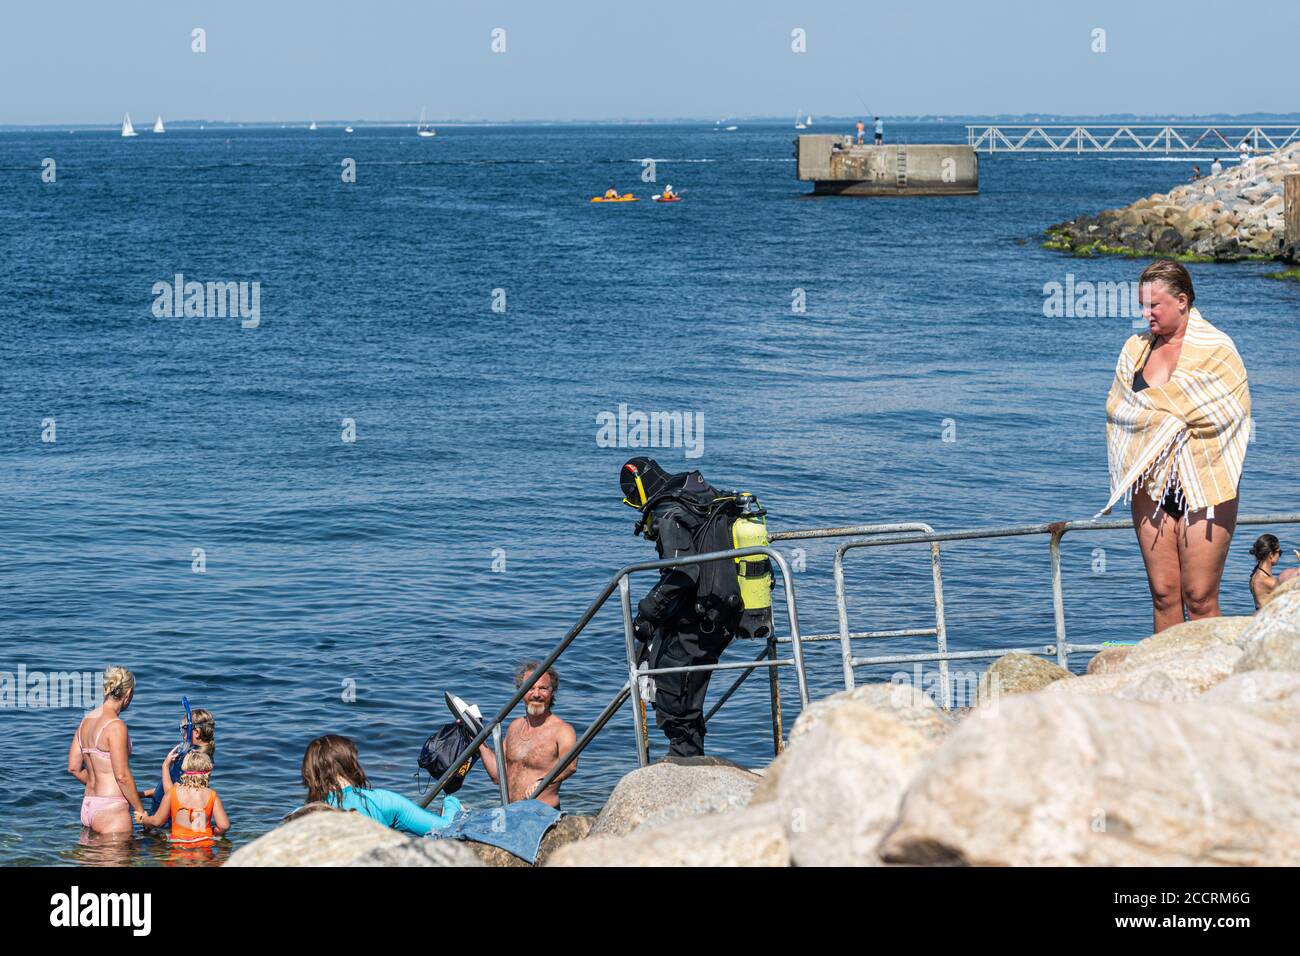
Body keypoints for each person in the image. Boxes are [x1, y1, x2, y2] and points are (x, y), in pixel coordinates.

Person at [1100, 260, 1251, 633]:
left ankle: (1215, 682)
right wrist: (1168, 418)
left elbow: (1230, 413)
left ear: (1182, 301)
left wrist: (1163, 415)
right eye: (1142, 306)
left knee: (1199, 597)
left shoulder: (1217, 350)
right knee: (1164, 594)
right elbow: (1120, 410)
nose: (1146, 314)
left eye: (1155, 305)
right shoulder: (1135, 350)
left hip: (1205, 484)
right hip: (1151, 485)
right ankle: (1168, 683)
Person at [621, 457, 733, 757]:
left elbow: (682, 573)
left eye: (632, 500)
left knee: (673, 687)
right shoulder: (700, 495)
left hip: (699, 617)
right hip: (723, 609)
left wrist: (648, 609)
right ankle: (689, 755)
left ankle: (685, 761)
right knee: (687, 686)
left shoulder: (669, 513)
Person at [301, 734, 461, 836]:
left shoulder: (301, 815)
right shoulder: (382, 801)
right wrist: (451, 802)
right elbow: (445, 829)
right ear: (351, 764)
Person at [476, 662, 577, 808]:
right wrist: (478, 740)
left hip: (542, 813)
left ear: (552, 691)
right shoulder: (514, 727)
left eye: (543, 688)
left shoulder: (562, 730)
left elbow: (570, 765)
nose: (536, 694)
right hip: (510, 811)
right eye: (530, 688)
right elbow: (498, 776)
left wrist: (543, 782)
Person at [68, 666, 148, 835]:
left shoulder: (86, 720)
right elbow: (122, 776)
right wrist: (141, 811)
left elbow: (73, 768)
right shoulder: (116, 726)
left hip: (88, 805)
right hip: (112, 809)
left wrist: (98, 780)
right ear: (127, 695)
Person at [136, 751, 230, 844]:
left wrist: (143, 819)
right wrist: (213, 832)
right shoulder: (212, 795)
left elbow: (157, 822)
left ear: (184, 770)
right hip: (204, 847)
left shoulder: (172, 793)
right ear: (208, 773)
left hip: (179, 847)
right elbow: (223, 826)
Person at [145, 707, 216, 815]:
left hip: (166, 821)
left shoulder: (191, 760)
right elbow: (173, 783)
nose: (182, 733)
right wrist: (143, 794)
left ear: (196, 732)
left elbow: (173, 794)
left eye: (184, 729)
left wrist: (165, 766)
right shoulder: (201, 757)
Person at [1249, 534, 1300, 609]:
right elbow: (1293, 591)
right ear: (1271, 555)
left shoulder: (1255, 575)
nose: (1280, 556)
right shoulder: (1267, 581)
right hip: (1267, 618)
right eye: (1279, 552)